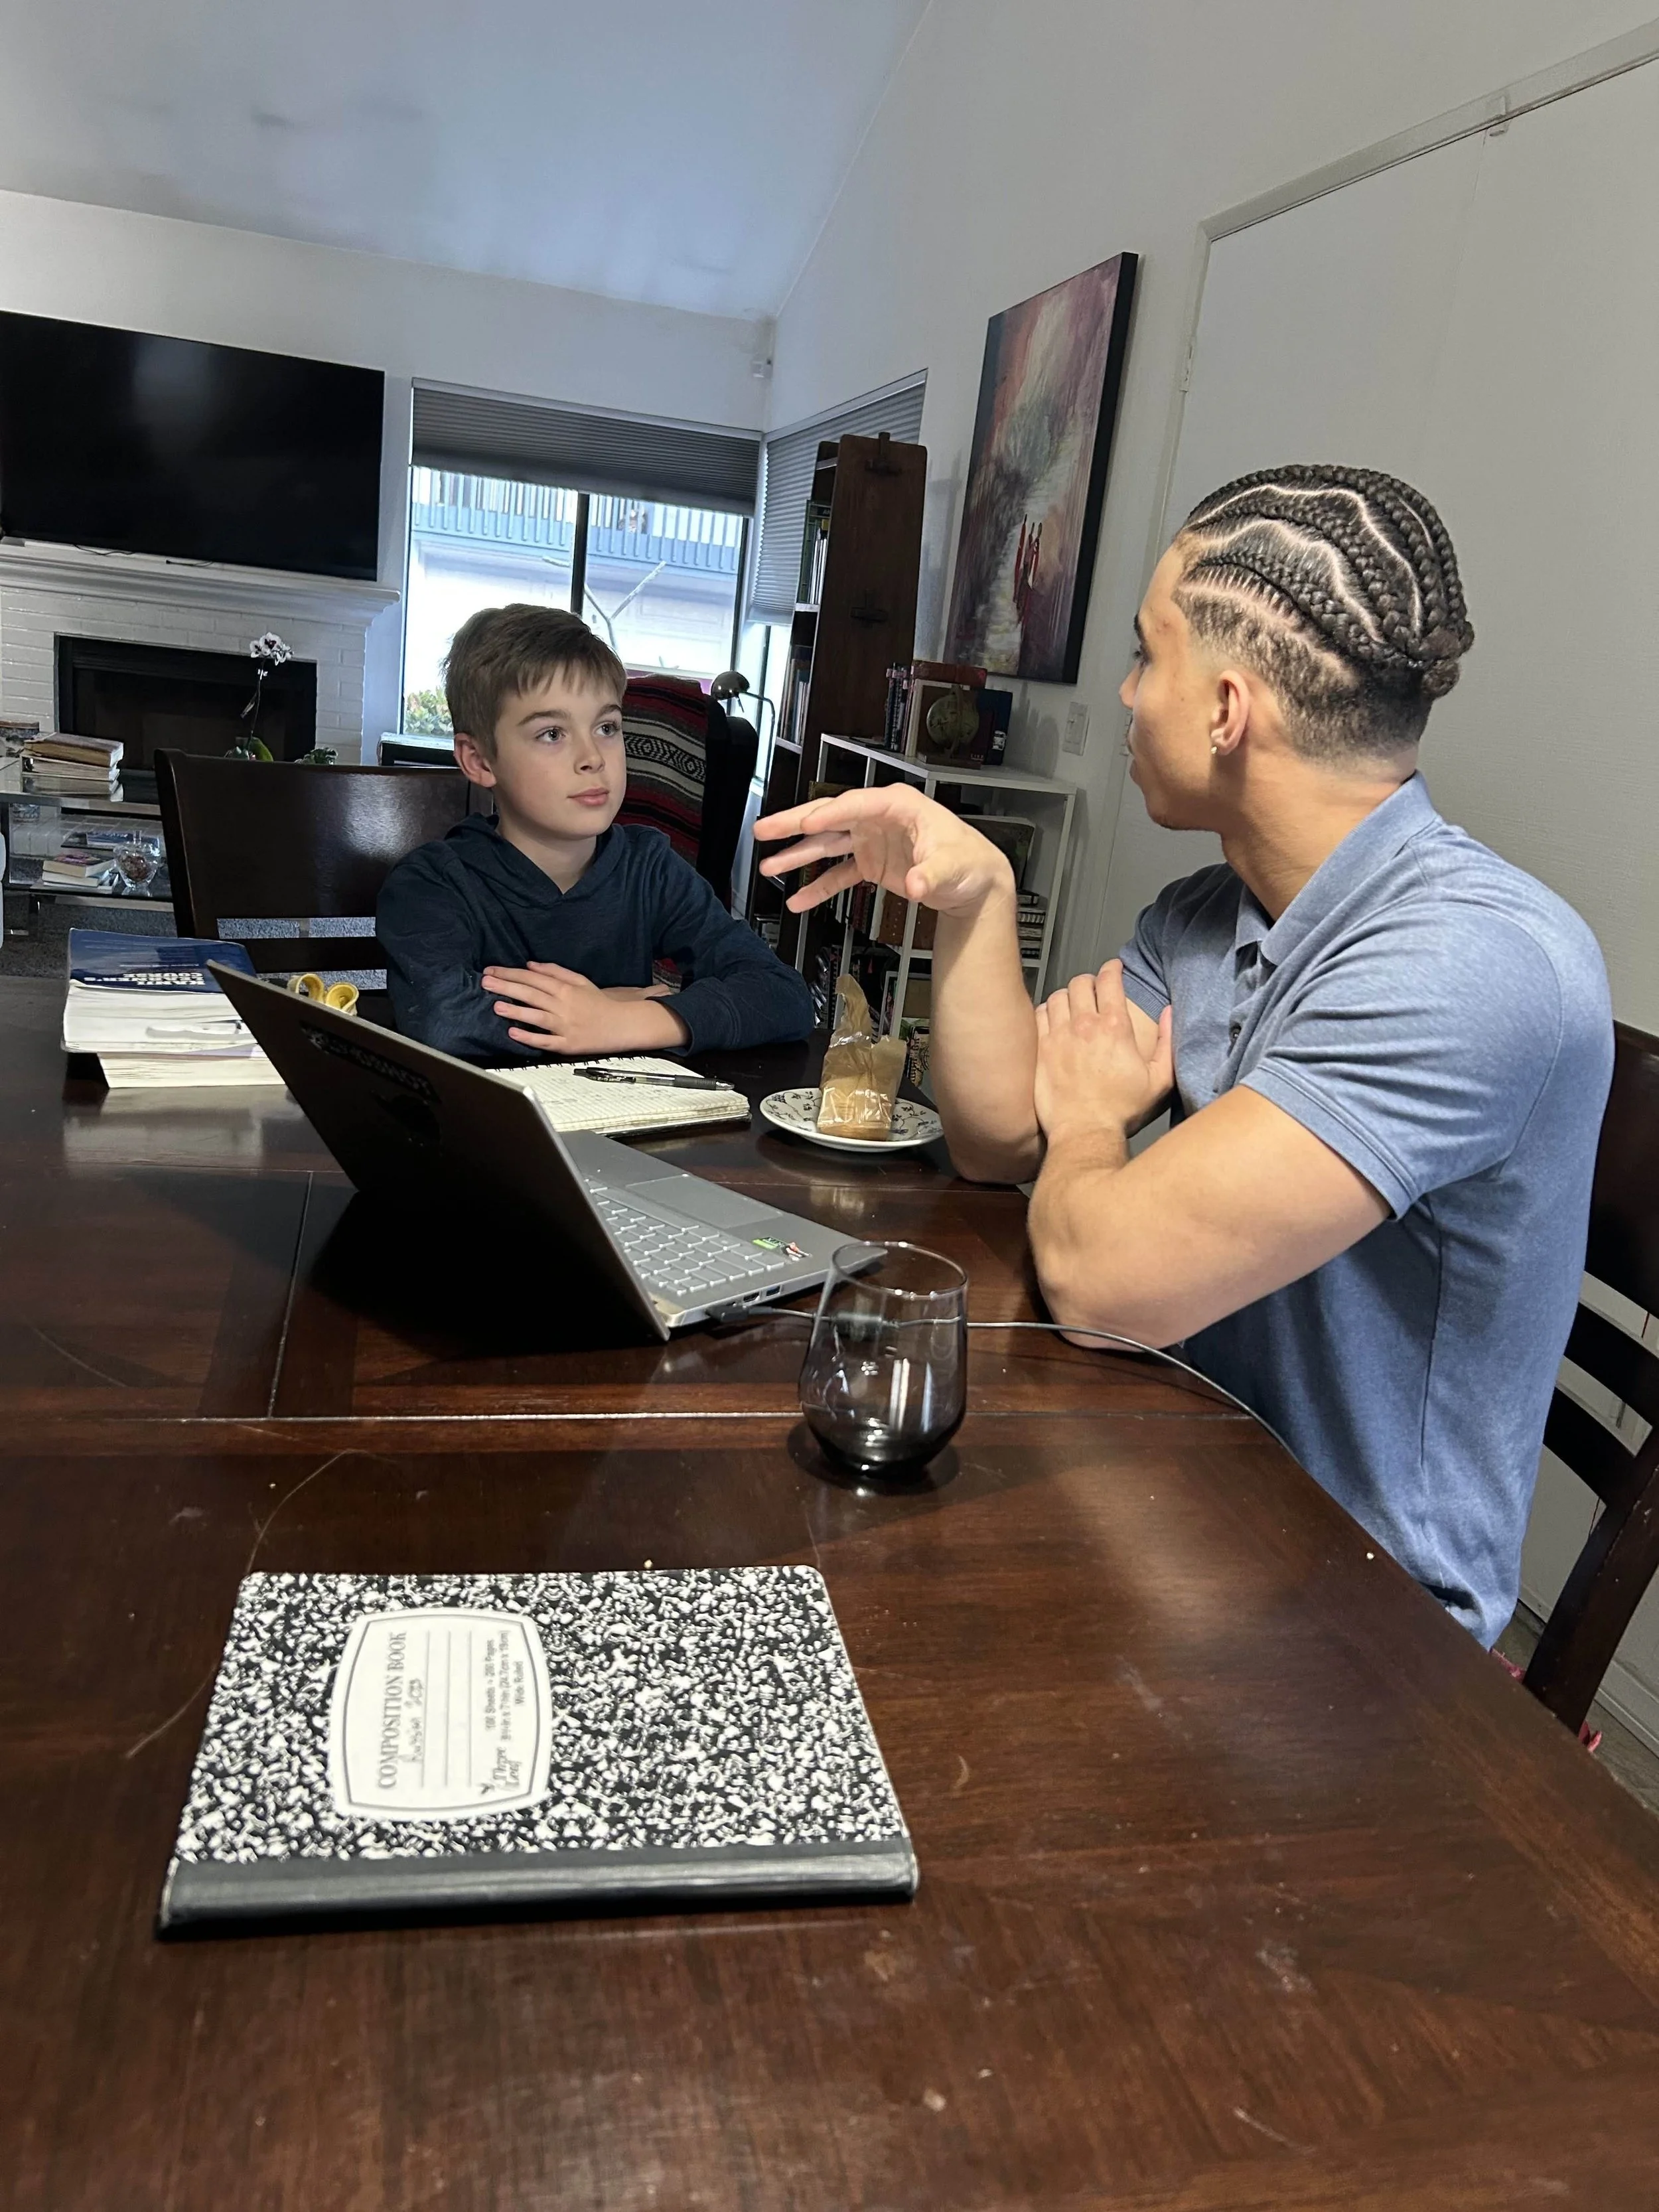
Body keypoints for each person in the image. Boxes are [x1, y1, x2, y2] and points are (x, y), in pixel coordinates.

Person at [755, 464, 1613, 1647]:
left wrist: (1101, 1126)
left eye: (1146, 656)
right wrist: (979, 896)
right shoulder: (1211, 909)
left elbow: (1106, 1284)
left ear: (1225, 707)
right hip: (1173, 1470)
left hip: (1361, 1613)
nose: (1122, 691)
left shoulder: (1475, 966)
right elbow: (1001, 1139)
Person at [378, 605, 813, 1064]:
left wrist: (619, 1020)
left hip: (631, 1127)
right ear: (480, 761)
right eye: (552, 733)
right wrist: (622, 1006)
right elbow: (444, 1019)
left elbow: (784, 996)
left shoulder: (650, 868)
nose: (593, 757)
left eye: (607, 727)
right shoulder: (432, 885)